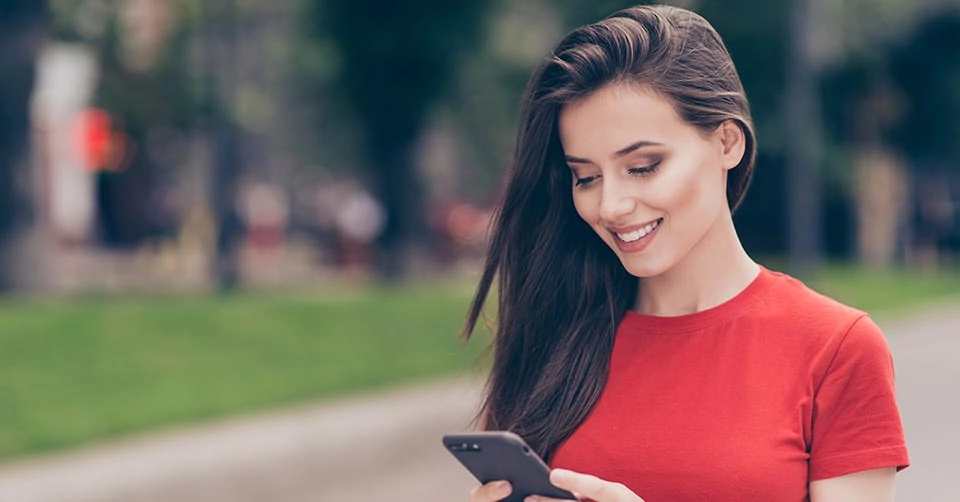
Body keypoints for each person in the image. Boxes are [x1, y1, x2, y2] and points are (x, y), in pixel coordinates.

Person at [462, 5, 909, 502]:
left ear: (727, 143)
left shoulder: (837, 349)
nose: (610, 205)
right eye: (585, 177)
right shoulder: (552, 335)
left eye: (643, 166)